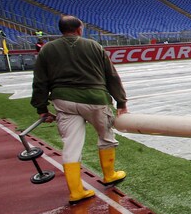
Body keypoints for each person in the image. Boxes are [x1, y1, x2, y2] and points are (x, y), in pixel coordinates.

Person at [30, 15, 129, 203]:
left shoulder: (47, 49)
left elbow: (40, 81)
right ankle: (109, 175)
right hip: (94, 99)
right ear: (79, 29)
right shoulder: (94, 46)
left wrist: (41, 108)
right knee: (106, 136)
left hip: (63, 101)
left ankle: (76, 191)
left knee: (71, 144)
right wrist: (121, 102)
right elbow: (111, 75)